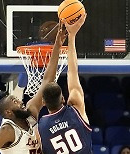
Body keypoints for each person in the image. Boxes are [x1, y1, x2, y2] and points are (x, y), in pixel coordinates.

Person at [0, 20, 67, 154]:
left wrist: (57, 46)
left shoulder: (31, 112)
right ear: (8, 112)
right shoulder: (7, 130)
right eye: (14, 102)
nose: (20, 102)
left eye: (17, 99)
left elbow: (47, 81)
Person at [38, 13, 93, 154]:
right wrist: (72, 36)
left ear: (43, 102)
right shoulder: (76, 108)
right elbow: (72, 72)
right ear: (63, 98)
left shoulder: (42, 126)